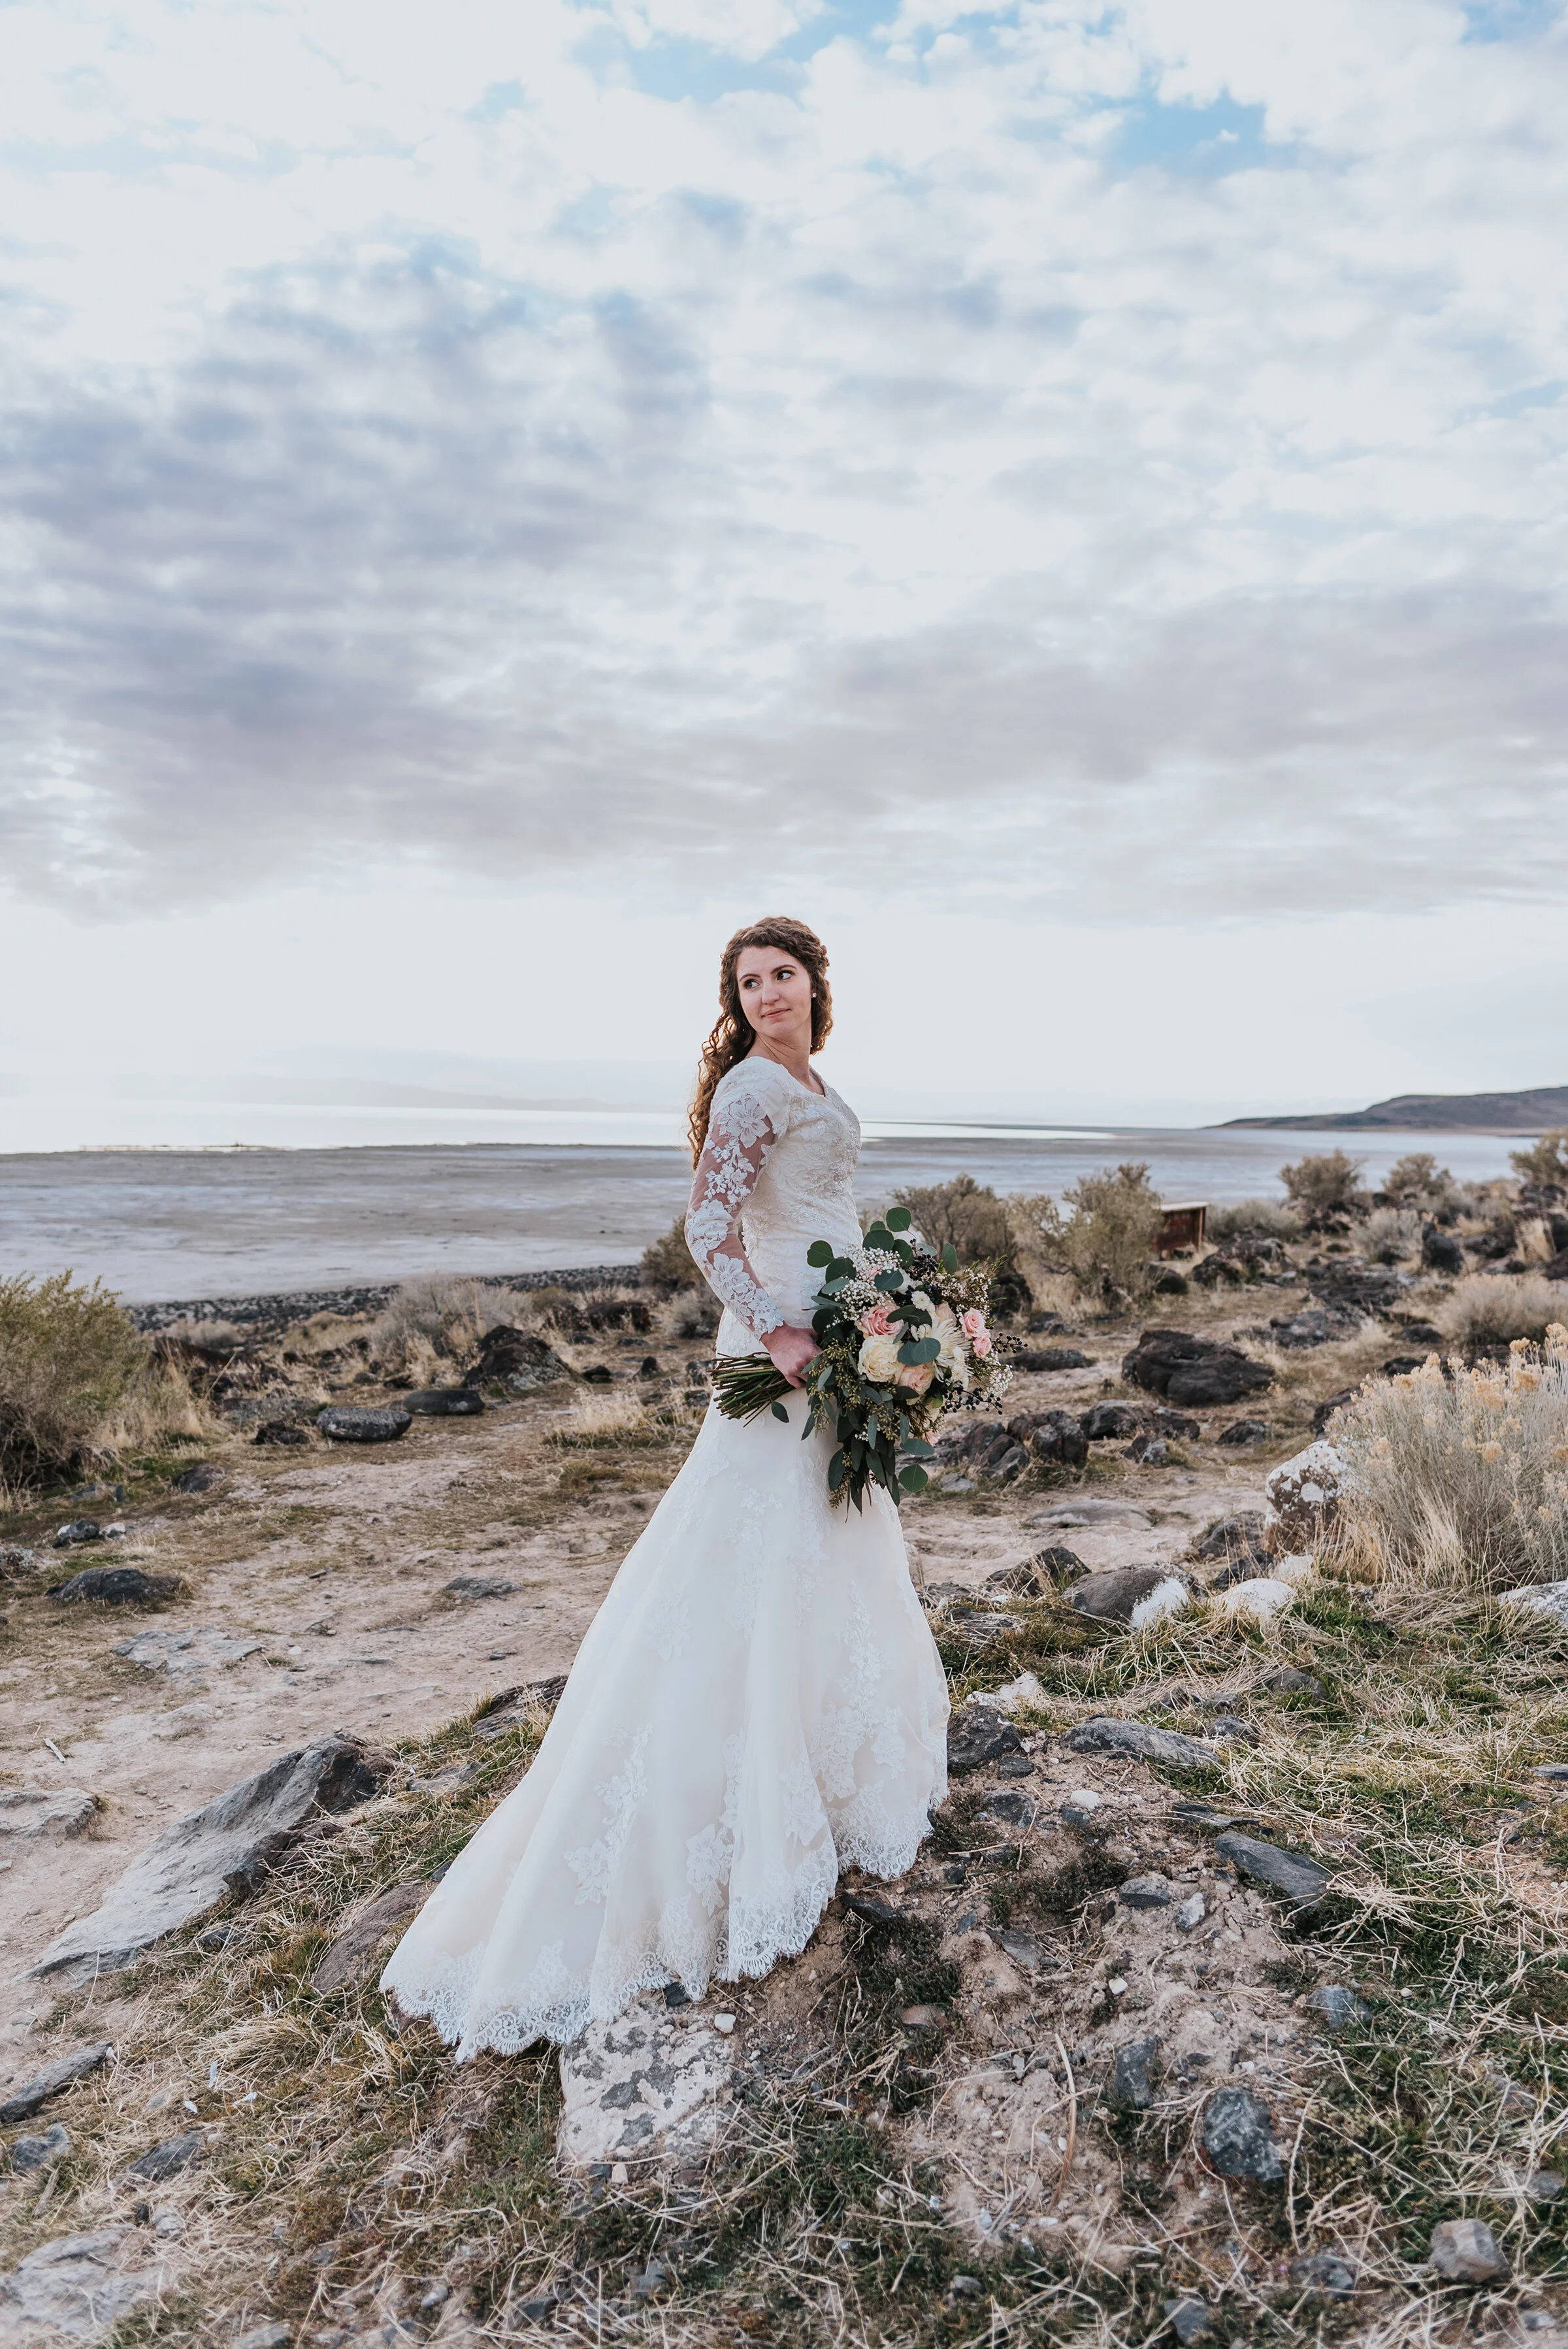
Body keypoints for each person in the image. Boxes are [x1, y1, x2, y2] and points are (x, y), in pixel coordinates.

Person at [381, 916, 949, 2057]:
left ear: (814, 985)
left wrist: (895, 1306)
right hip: (785, 1344)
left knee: (829, 1535)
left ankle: (825, 1778)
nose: (769, 991)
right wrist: (782, 1330)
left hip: (839, 1329)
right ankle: (718, 1810)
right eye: (750, 981)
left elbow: (827, 1210)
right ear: (735, 1001)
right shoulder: (749, 1089)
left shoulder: (813, 1082)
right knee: (752, 1550)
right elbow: (707, 1224)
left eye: (783, 974)